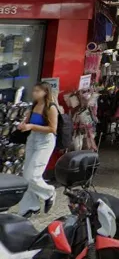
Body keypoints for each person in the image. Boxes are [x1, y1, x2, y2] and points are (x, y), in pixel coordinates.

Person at [16, 82, 59, 217]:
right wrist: (23, 125)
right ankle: (29, 207)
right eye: (34, 91)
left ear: (45, 92)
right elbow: (28, 123)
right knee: (26, 175)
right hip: (32, 139)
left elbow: (53, 129)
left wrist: (32, 126)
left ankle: (49, 192)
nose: (34, 93)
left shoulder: (51, 107)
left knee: (33, 174)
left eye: (37, 91)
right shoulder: (34, 106)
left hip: (45, 141)